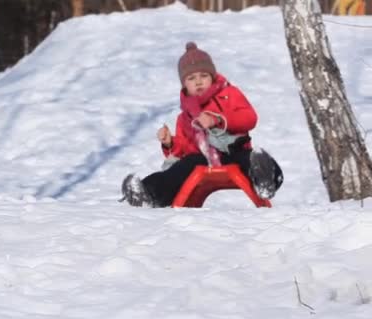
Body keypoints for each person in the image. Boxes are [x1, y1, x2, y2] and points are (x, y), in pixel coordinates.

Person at [121, 42, 283, 208]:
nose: (198, 82)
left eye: (203, 76)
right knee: (180, 169)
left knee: (252, 160)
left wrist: (218, 120)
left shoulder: (229, 94)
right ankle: (149, 193)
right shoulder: (185, 116)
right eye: (191, 78)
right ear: (184, 84)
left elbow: (249, 118)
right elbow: (184, 150)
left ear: (212, 76)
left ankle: (267, 181)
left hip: (234, 151)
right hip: (202, 159)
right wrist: (170, 143)